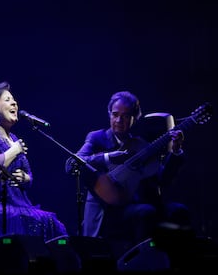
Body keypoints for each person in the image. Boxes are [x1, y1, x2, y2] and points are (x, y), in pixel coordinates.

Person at [65, 91, 192, 257]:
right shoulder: (97, 138)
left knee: (179, 210)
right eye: (115, 115)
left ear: (135, 118)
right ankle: (139, 263)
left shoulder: (141, 144)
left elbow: (163, 179)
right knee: (146, 212)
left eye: (125, 116)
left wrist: (175, 151)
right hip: (109, 211)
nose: (119, 121)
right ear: (109, 114)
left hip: (139, 203)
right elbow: (72, 164)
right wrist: (107, 157)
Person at [0, 81, 68, 242]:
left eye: (14, 100)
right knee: (39, 220)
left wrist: (25, 178)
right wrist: (14, 150)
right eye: (7, 100)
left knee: (52, 222)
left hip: (15, 204)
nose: (14, 103)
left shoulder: (13, 139)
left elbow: (28, 175)